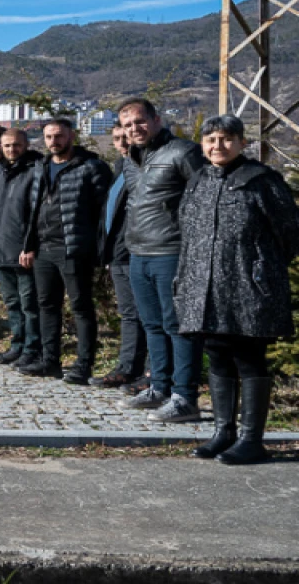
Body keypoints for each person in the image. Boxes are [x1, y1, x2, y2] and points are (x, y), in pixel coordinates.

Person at [174, 115, 299, 464]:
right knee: (216, 353)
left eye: (227, 138)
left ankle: (251, 439)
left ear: (242, 142)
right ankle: (222, 432)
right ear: (203, 144)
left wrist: (259, 266)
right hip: (204, 287)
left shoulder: (262, 181)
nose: (218, 145)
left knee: (248, 357)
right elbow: (187, 231)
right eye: (211, 139)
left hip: (249, 287)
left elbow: (289, 233)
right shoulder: (198, 180)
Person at [119, 98, 207, 422]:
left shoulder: (183, 152)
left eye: (140, 121)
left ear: (156, 119)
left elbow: (203, 201)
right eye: (128, 125)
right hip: (139, 253)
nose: (134, 129)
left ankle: (185, 397)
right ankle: (160, 387)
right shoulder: (131, 159)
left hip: (171, 251)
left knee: (178, 326)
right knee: (152, 324)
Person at [18, 119, 111, 383]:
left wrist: (97, 248)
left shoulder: (91, 167)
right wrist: (29, 245)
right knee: (47, 306)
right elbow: (34, 210)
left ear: (71, 136)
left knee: (81, 306)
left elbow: (102, 212)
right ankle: (50, 361)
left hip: (74, 248)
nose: (53, 142)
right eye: (48, 137)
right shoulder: (41, 168)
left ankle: (83, 366)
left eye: (58, 136)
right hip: (44, 248)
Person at [0, 129, 42, 366]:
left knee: (29, 304)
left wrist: (30, 246)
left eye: (15, 145)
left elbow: (36, 213)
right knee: (12, 302)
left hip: (23, 250)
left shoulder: (36, 168)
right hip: (0, 248)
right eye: (6, 146)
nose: (10, 150)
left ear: (26, 144)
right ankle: (17, 345)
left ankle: (32, 348)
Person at [91, 123, 146, 388]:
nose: (123, 143)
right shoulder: (119, 168)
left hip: (139, 250)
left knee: (148, 314)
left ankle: (150, 373)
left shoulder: (143, 168)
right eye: (116, 138)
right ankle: (128, 367)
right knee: (128, 312)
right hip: (118, 253)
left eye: (126, 137)